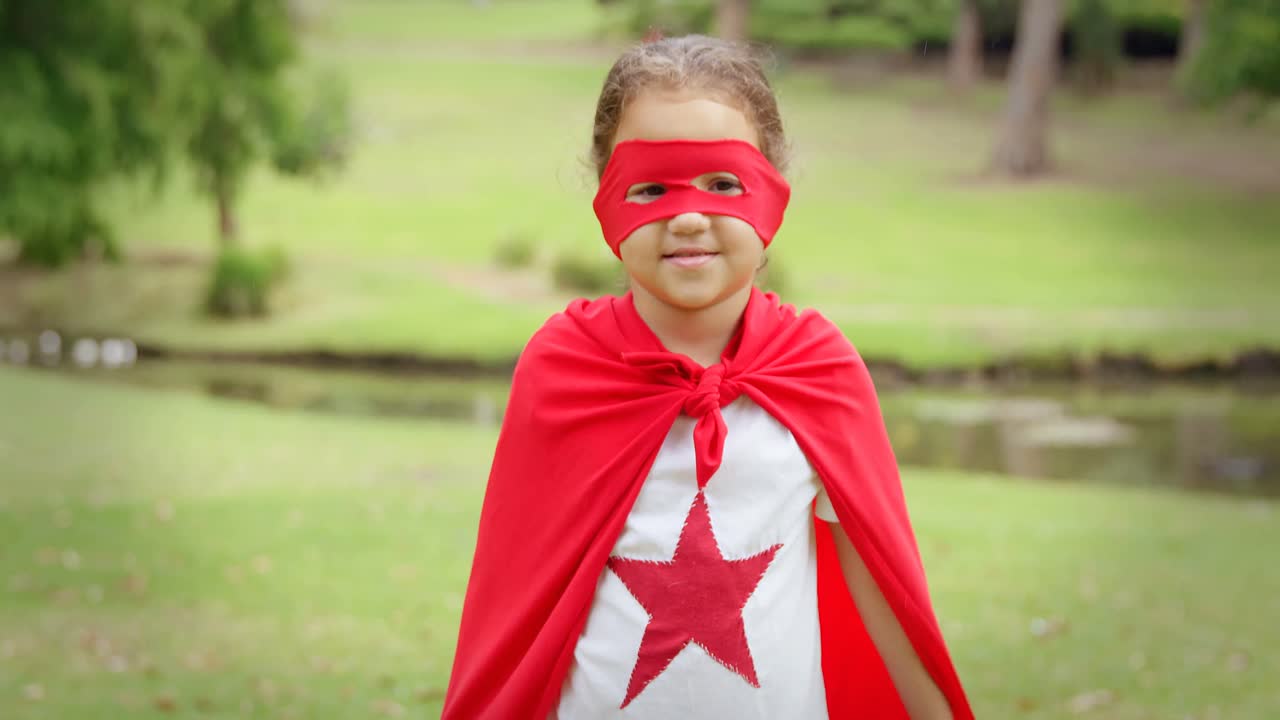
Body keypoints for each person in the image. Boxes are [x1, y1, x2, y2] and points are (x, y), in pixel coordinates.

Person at [443, 35, 973, 720]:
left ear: (772, 194)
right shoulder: (566, 368)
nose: (689, 217)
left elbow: (888, 595)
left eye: (724, 184)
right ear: (606, 199)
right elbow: (520, 615)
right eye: (651, 187)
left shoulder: (818, 368)